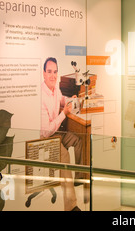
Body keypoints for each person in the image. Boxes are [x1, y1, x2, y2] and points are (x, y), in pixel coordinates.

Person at [41, 57, 84, 211]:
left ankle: (79, 180)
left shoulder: (54, 90)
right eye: (49, 72)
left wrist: (69, 100)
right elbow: (46, 131)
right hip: (46, 138)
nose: (53, 75)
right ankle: (71, 206)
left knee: (79, 141)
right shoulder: (42, 95)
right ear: (44, 74)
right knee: (65, 155)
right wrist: (64, 114)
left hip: (57, 133)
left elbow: (61, 100)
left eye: (55, 72)